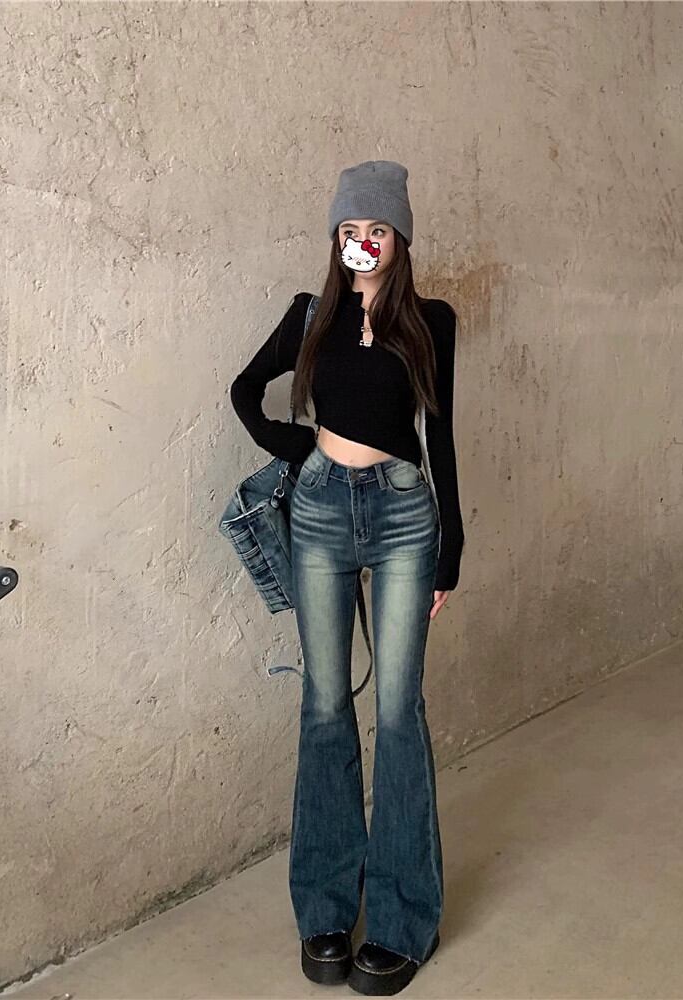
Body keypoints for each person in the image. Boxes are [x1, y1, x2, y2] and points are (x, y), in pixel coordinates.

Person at [230, 160, 464, 996]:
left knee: (398, 714)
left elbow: (440, 436)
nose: (362, 243)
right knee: (326, 709)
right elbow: (244, 390)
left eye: (377, 230)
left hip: (404, 518)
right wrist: (299, 447)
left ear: (400, 238)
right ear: (336, 239)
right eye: (349, 230)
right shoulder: (311, 315)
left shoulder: (431, 322)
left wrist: (452, 546)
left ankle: (402, 921)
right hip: (322, 513)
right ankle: (326, 913)